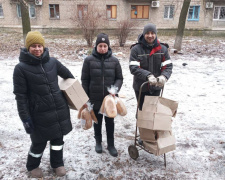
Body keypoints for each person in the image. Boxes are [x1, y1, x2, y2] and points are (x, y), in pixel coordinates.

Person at [13, 31, 74, 178]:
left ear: (43, 46)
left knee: (58, 140)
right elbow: (20, 97)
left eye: (40, 45)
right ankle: (33, 165)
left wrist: (69, 95)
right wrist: (25, 118)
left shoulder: (52, 62)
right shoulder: (20, 69)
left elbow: (69, 77)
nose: (37, 49)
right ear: (28, 48)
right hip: (38, 114)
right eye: (33, 46)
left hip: (58, 110)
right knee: (38, 143)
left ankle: (57, 163)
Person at [81, 33, 123, 157]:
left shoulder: (115, 61)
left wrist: (115, 89)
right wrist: (85, 98)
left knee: (110, 122)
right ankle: (98, 142)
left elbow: (119, 78)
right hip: (94, 97)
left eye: (105, 46)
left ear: (108, 46)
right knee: (97, 122)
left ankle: (111, 145)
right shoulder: (88, 60)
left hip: (110, 100)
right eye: (100, 46)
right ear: (96, 46)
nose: (103, 48)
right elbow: (85, 80)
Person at [129, 23, 173, 110]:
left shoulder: (162, 49)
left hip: (156, 86)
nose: (150, 36)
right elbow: (134, 68)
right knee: (142, 111)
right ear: (143, 34)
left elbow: (167, 66)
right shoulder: (136, 49)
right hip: (141, 87)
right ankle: (140, 123)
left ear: (155, 34)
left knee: (153, 111)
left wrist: (164, 76)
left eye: (152, 33)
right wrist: (147, 75)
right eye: (147, 33)